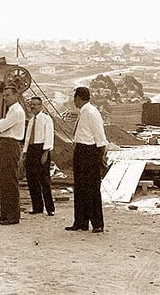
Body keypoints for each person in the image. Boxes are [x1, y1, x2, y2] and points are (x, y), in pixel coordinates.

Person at [65, 86, 108, 233]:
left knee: (91, 189)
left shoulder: (91, 112)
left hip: (90, 152)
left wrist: (100, 156)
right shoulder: (83, 112)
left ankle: (97, 223)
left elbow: (100, 137)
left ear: (78, 98)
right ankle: (81, 222)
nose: (74, 101)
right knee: (80, 188)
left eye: (74, 98)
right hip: (81, 151)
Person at [0, 86, 26, 225]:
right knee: (4, 181)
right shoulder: (11, 110)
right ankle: (5, 215)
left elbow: (1, 127)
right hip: (5, 144)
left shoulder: (17, 111)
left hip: (10, 145)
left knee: (10, 182)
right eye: (4, 95)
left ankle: (13, 216)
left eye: (7, 95)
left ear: (16, 96)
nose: (5, 98)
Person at [23, 97, 55, 216]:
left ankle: (50, 208)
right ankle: (37, 207)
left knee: (44, 180)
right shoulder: (31, 120)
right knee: (31, 179)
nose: (33, 107)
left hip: (41, 149)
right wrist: (25, 153)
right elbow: (27, 138)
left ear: (41, 106)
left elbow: (49, 135)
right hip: (31, 149)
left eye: (36, 104)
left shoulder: (46, 119)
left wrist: (45, 152)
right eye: (31, 104)